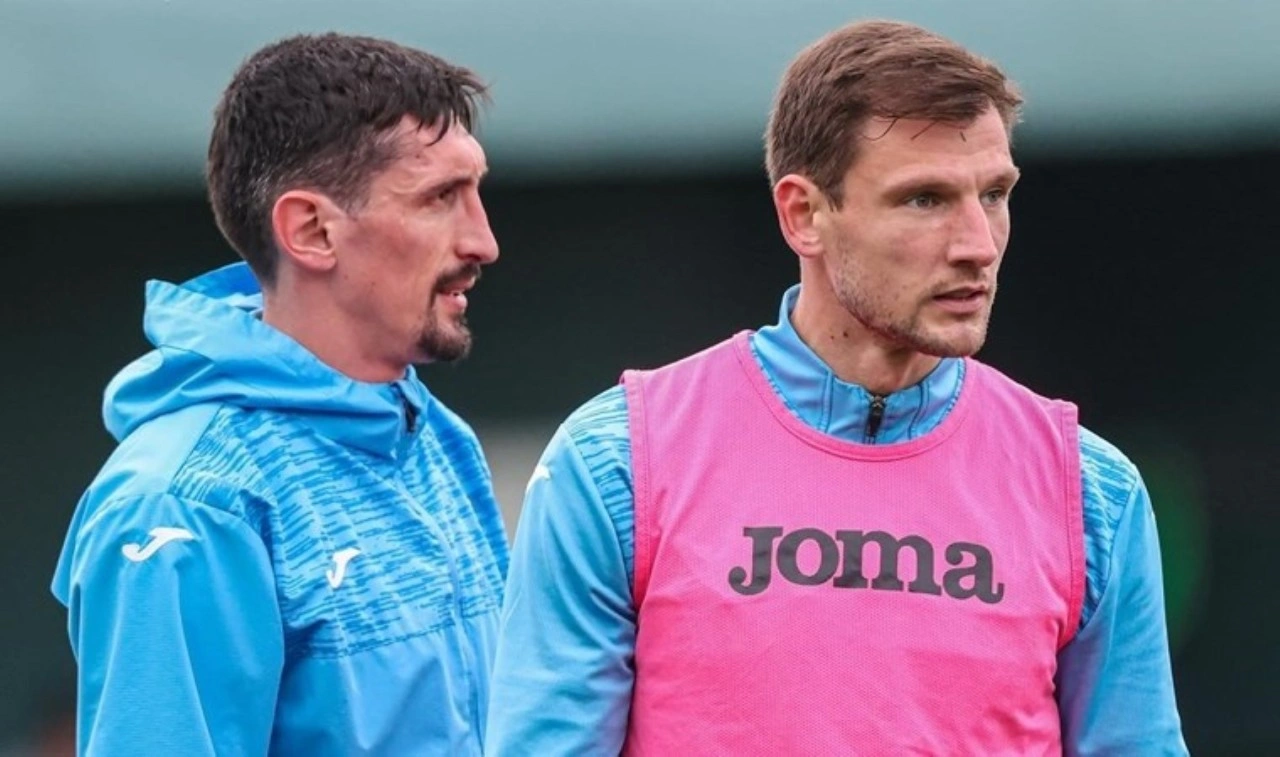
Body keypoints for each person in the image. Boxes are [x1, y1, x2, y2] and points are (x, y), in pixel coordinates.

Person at [487, 19, 1187, 755]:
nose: (978, 245)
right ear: (804, 215)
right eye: (924, 199)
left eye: (993, 194)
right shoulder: (619, 462)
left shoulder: (1091, 490)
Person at [51, 33, 506, 755]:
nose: (483, 242)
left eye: (476, 191)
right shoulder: (181, 505)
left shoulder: (439, 438)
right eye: (440, 198)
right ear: (312, 230)